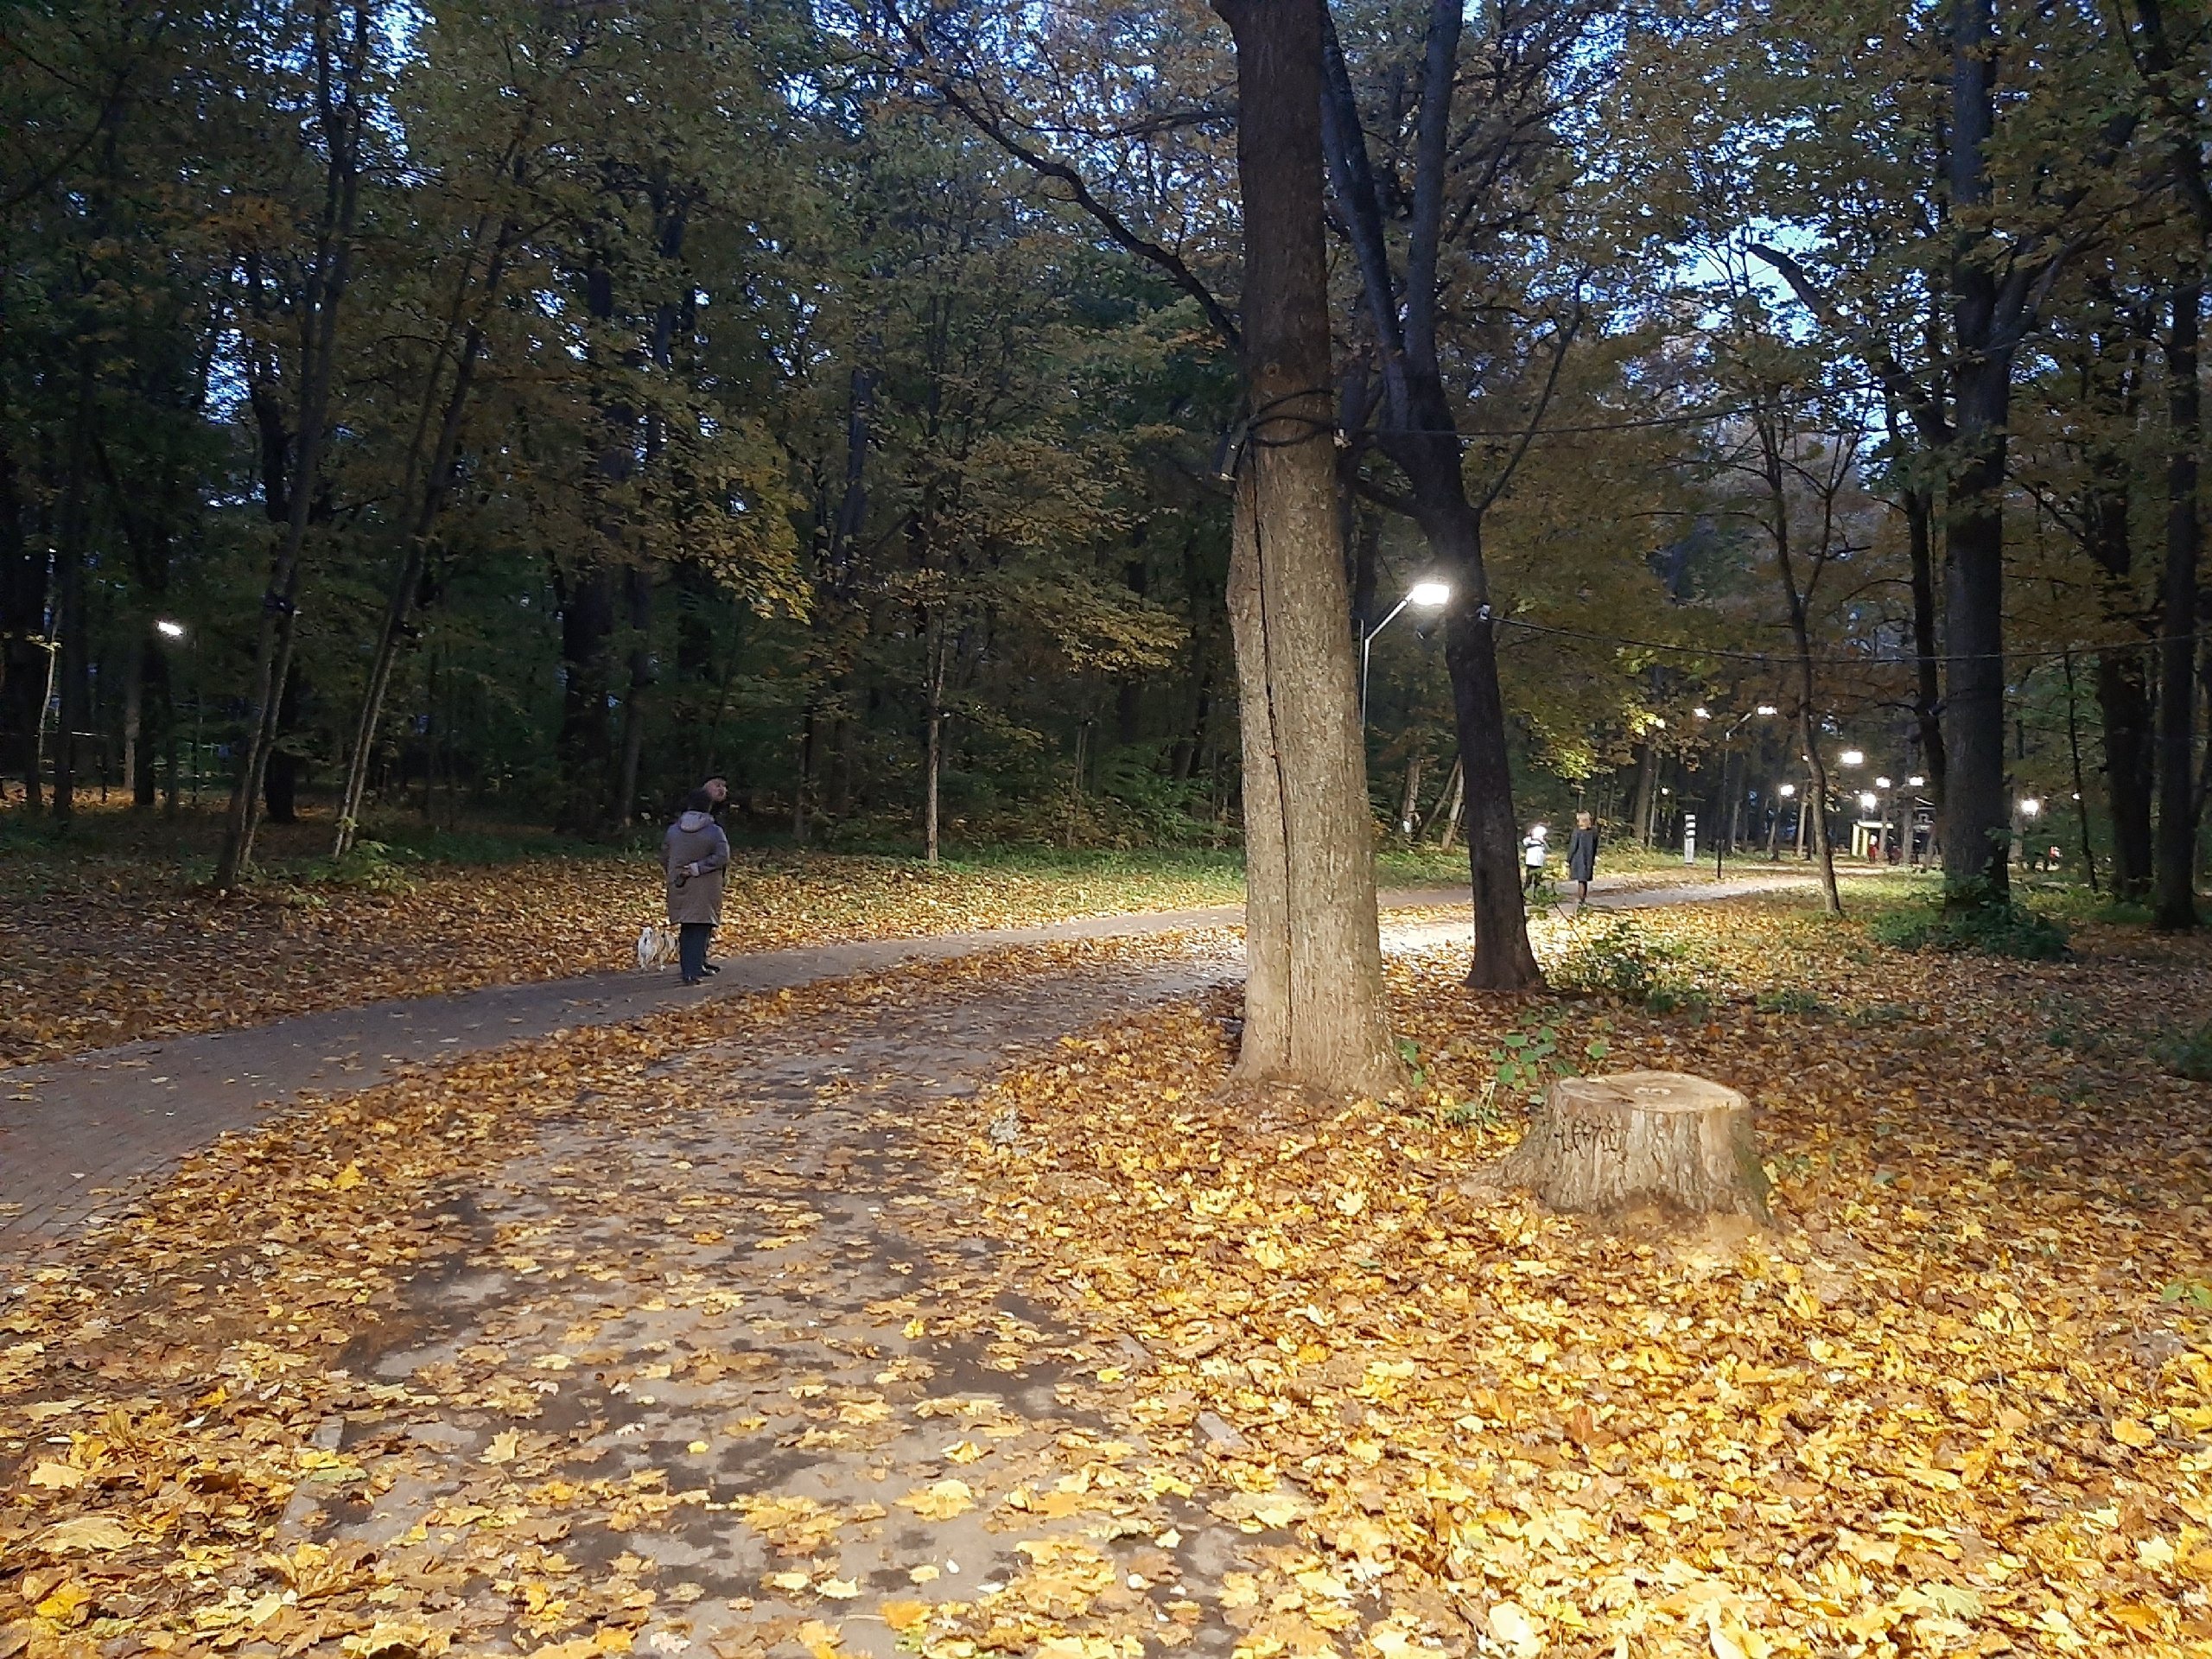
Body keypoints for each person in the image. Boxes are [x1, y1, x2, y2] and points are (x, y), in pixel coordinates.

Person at [663, 788, 730, 985]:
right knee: (702, 926)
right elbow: (722, 857)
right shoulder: (714, 831)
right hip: (706, 885)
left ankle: (691, 967)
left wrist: (676, 872)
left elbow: (664, 856)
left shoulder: (673, 830)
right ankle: (694, 970)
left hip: (680, 884)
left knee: (687, 927)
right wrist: (697, 868)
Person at [1566, 810, 1599, 908]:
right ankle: (1583, 898)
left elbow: (1573, 846)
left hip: (1578, 858)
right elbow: (1595, 846)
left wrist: (1568, 859)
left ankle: (1581, 900)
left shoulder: (1577, 832)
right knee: (1584, 880)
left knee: (1581, 880)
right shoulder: (1594, 831)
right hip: (1588, 857)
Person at [1522, 823, 1549, 897]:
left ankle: (1536, 895)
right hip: (1531, 862)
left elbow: (1548, 849)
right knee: (1528, 880)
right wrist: (1533, 838)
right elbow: (1525, 842)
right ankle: (1524, 895)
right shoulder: (1529, 840)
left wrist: (1542, 841)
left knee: (1537, 881)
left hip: (1539, 862)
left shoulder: (1542, 842)